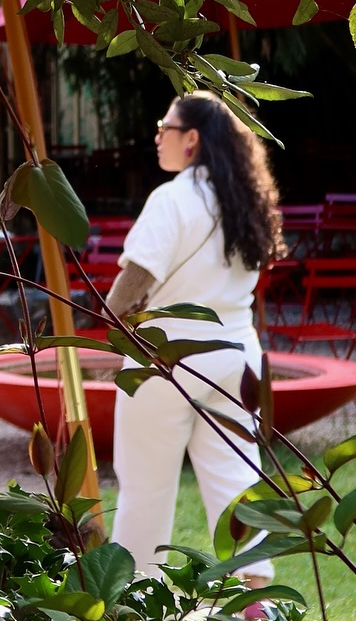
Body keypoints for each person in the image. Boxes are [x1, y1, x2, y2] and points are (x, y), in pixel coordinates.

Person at [105, 91, 281, 584]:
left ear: (192, 139)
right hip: (236, 354)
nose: (158, 136)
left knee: (146, 485)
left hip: (167, 356)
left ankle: (136, 595)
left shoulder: (173, 198)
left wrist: (110, 315)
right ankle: (257, 595)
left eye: (165, 127)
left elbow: (136, 278)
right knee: (237, 477)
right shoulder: (246, 197)